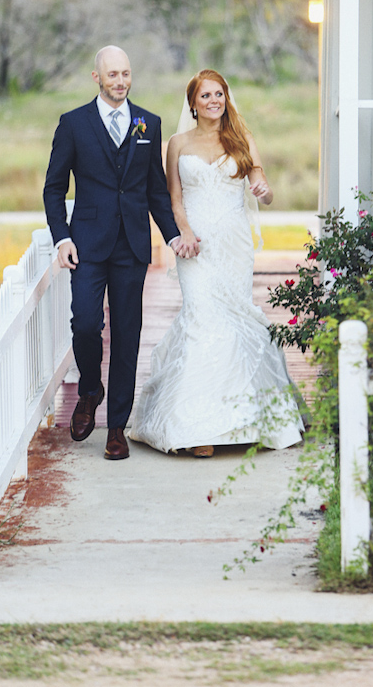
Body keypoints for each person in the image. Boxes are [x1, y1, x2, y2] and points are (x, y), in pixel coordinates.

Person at [130, 69, 304, 456]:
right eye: (206, 95)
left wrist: (264, 189)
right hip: (198, 245)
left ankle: (239, 421)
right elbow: (173, 199)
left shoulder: (242, 138)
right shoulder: (176, 143)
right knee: (201, 318)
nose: (214, 101)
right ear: (192, 103)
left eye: (219, 94)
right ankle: (197, 428)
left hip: (234, 245)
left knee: (232, 322)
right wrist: (184, 234)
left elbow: (265, 190)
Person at [43, 45, 199, 461]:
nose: (120, 81)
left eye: (126, 74)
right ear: (97, 77)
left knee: (128, 336)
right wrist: (62, 238)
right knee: (86, 324)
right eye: (112, 74)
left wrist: (171, 237)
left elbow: (154, 191)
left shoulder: (149, 123)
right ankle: (90, 388)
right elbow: (54, 188)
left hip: (132, 245)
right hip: (88, 244)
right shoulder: (73, 124)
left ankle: (116, 428)